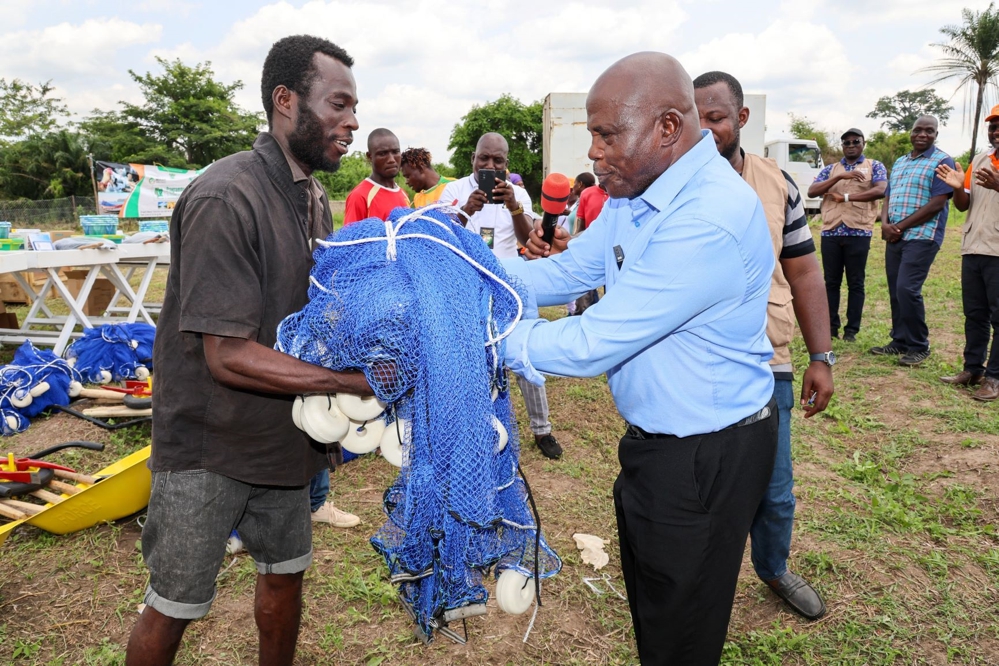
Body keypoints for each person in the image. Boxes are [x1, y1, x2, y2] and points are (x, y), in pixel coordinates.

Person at [515, 52, 778, 665]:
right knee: (658, 612)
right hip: (660, 447)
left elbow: (591, 342)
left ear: (667, 128)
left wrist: (467, 334)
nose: (594, 153)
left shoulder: (705, 218)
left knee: (680, 636)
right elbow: (566, 270)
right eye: (592, 135)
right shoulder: (639, 194)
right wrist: (466, 276)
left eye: (607, 135)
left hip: (704, 457)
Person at [125, 36, 373, 666]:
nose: (351, 122)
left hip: (283, 437)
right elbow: (227, 354)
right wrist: (345, 382)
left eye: (354, 107)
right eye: (338, 104)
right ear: (284, 101)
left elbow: (314, 313)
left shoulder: (313, 198)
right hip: (210, 443)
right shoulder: (224, 196)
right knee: (175, 605)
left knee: (285, 576)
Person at [694, 71, 834, 622]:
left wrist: (821, 358)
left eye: (717, 117)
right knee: (702, 489)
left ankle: (773, 567)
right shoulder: (668, 183)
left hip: (767, 361)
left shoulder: (777, 184)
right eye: (696, 118)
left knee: (774, 490)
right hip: (696, 362)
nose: (706, 131)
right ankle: (703, 579)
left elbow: (803, 275)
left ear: (741, 120)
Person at [440, 133, 563, 460]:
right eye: (485, 159)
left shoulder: (518, 193)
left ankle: (542, 429)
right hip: (468, 285)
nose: (491, 166)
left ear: (507, 164)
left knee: (525, 353)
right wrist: (466, 210)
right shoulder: (454, 191)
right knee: (474, 358)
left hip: (510, 283)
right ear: (473, 159)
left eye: (499, 161)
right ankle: (478, 428)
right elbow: (441, 236)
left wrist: (514, 207)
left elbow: (528, 241)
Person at [870, 116, 955, 366]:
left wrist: (899, 227)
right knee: (896, 288)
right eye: (918, 129)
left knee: (907, 288)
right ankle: (900, 340)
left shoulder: (942, 161)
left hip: (923, 236)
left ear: (936, 134)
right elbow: (888, 197)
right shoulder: (900, 162)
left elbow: (937, 204)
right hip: (895, 235)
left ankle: (919, 345)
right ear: (911, 132)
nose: (923, 134)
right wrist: (885, 224)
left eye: (929, 131)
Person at [936, 105, 999, 401]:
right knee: (974, 314)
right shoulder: (980, 159)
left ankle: (994, 378)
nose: (996, 131)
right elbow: (964, 205)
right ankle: (972, 369)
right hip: (973, 246)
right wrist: (957, 188)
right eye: (993, 126)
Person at [807, 129, 888, 342]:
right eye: (846, 143)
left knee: (856, 282)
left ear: (863, 143)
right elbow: (812, 191)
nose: (851, 145)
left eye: (855, 142)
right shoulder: (831, 169)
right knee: (831, 281)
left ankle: (851, 331)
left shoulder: (874, 166)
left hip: (859, 231)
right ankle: (831, 327)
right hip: (831, 231)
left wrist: (846, 197)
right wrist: (840, 176)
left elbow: (881, 190)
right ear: (842, 146)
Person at [343, 128, 409, 224]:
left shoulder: (403, 194)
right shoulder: (360, 196)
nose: (391, 159)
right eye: (382, 153)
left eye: (395, 152)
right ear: (370, 157)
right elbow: (349, 237)